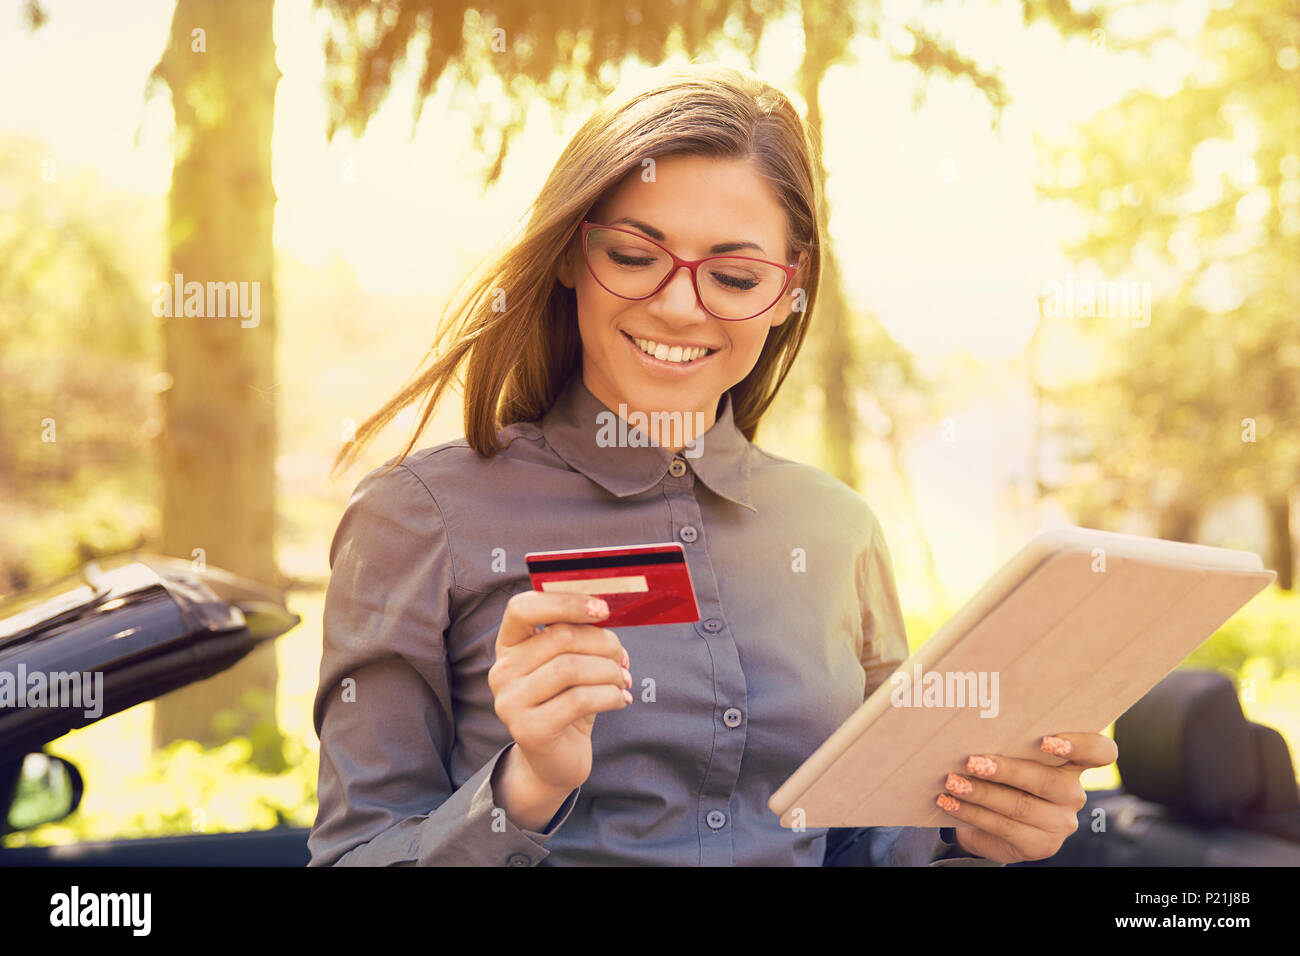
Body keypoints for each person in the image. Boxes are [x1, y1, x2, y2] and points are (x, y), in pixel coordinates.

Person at [307, 61, 1116, 867]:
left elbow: (870, 842)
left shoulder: (839, 530)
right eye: (631, 255)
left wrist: (977, 828)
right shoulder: (418, 517)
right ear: (566, 257)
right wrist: (523, 788)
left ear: (788, 293)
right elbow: (354, 854)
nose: (678, 304)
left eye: (734, 276)